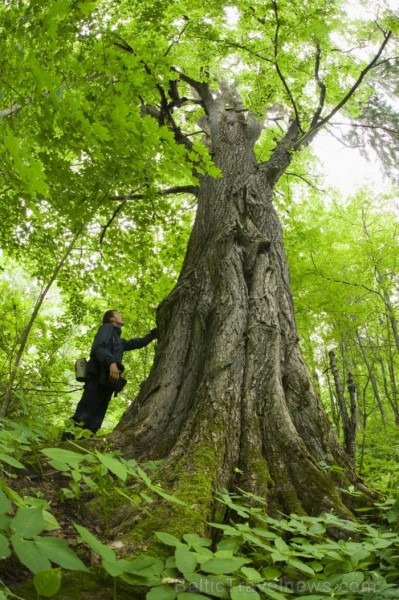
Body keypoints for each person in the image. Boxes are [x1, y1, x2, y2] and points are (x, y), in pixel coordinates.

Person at [61, 310, 157, 440]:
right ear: (112, 318)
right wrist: (111, 362)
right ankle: (65, 443)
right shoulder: (106, 328)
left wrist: (152, 335)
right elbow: (98, 347)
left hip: (106, 384)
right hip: (95, 380)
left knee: (95, 420)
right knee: (84, 414)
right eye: (118, 314)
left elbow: (135, 343)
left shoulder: (119, 341)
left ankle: (81, 446)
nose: (121, 315)